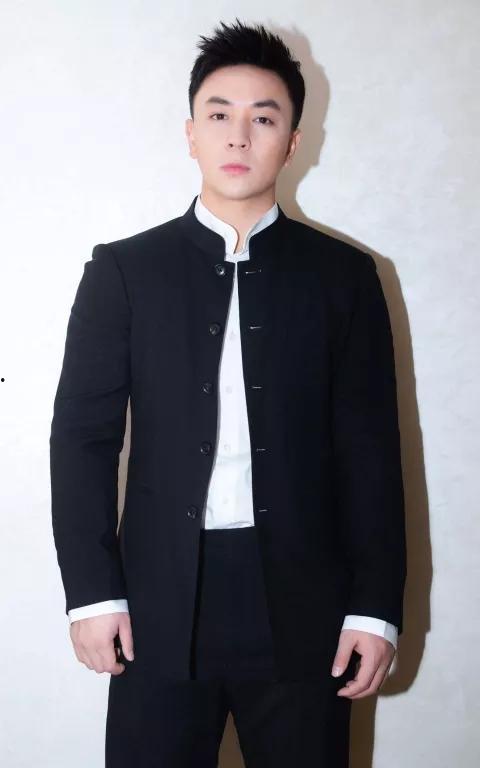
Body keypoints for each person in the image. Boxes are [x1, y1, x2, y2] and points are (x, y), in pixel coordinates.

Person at [49, 17, 407, 767]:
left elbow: (370, 452)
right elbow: (82, 442)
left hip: (307, 605)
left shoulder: (345, 279)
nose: (239, 137)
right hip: (157, 602)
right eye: (219, 115)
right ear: (191, 134)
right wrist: (92, 593)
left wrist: (375, 608)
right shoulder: (124, 272)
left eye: (263, 118)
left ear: (294, 141)